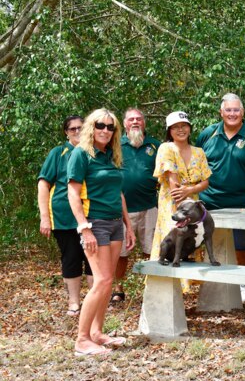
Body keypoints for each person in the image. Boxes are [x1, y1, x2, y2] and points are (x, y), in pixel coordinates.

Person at [67, 108, 136, 356]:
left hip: (116, 223)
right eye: (100, 125)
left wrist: (127, 224)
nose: (105, 130)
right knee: (102, 280)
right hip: (95, 224)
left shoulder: (111, 156)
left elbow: (118, 192)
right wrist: (84, 228)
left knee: (107, 284)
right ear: (90, 127)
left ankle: (97, 333)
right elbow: (73, 193)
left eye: (110, 127)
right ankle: (82, 340)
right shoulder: (81, 154)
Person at [196, 93, 245, 301]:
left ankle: (242, 283)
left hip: (242, 204)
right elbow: (196, 164)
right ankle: (212, 282)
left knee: (243, 245)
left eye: (236, 110)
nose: (232, 114)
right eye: (228, 110)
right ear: (221, 112)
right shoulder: (207, 134)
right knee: (203, 242)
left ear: (243, 112)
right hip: (209, 202)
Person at [149, 112, 212, 292]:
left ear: (190, 128)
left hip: (193, 202)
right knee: (173, 236)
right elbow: (172, 180)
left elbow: (206, 181)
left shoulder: (199, 152)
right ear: (169, 131)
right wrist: (181, 197)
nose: (181, 130)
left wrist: (190, 191)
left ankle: (184, 287)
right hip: (173, 200)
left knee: (191, 238)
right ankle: (166, 286)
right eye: (175, 127)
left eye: (184, 125)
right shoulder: (166, 148)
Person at [38, 115, 93, 317]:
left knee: (92, 258)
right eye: (73, 129)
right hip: (64, 216)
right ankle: (74, 302)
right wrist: (45, 217)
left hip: (92, 214)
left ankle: (94, 302)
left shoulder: (96, 151)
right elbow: (43, 184)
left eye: (81, 128)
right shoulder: (58, 153)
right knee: (71, 258)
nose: (78, 131)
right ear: (66, 132)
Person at [112, 108, 161, 303]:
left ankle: (153, 288)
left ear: (144, 123)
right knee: (121, 253)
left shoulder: (156, 146)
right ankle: (118, 289)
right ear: (124, 124)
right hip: (122, 210)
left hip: (150, 206)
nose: (135, 122)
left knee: (152, 250)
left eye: (139, 119)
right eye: (131, 119)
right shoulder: (115, 145)